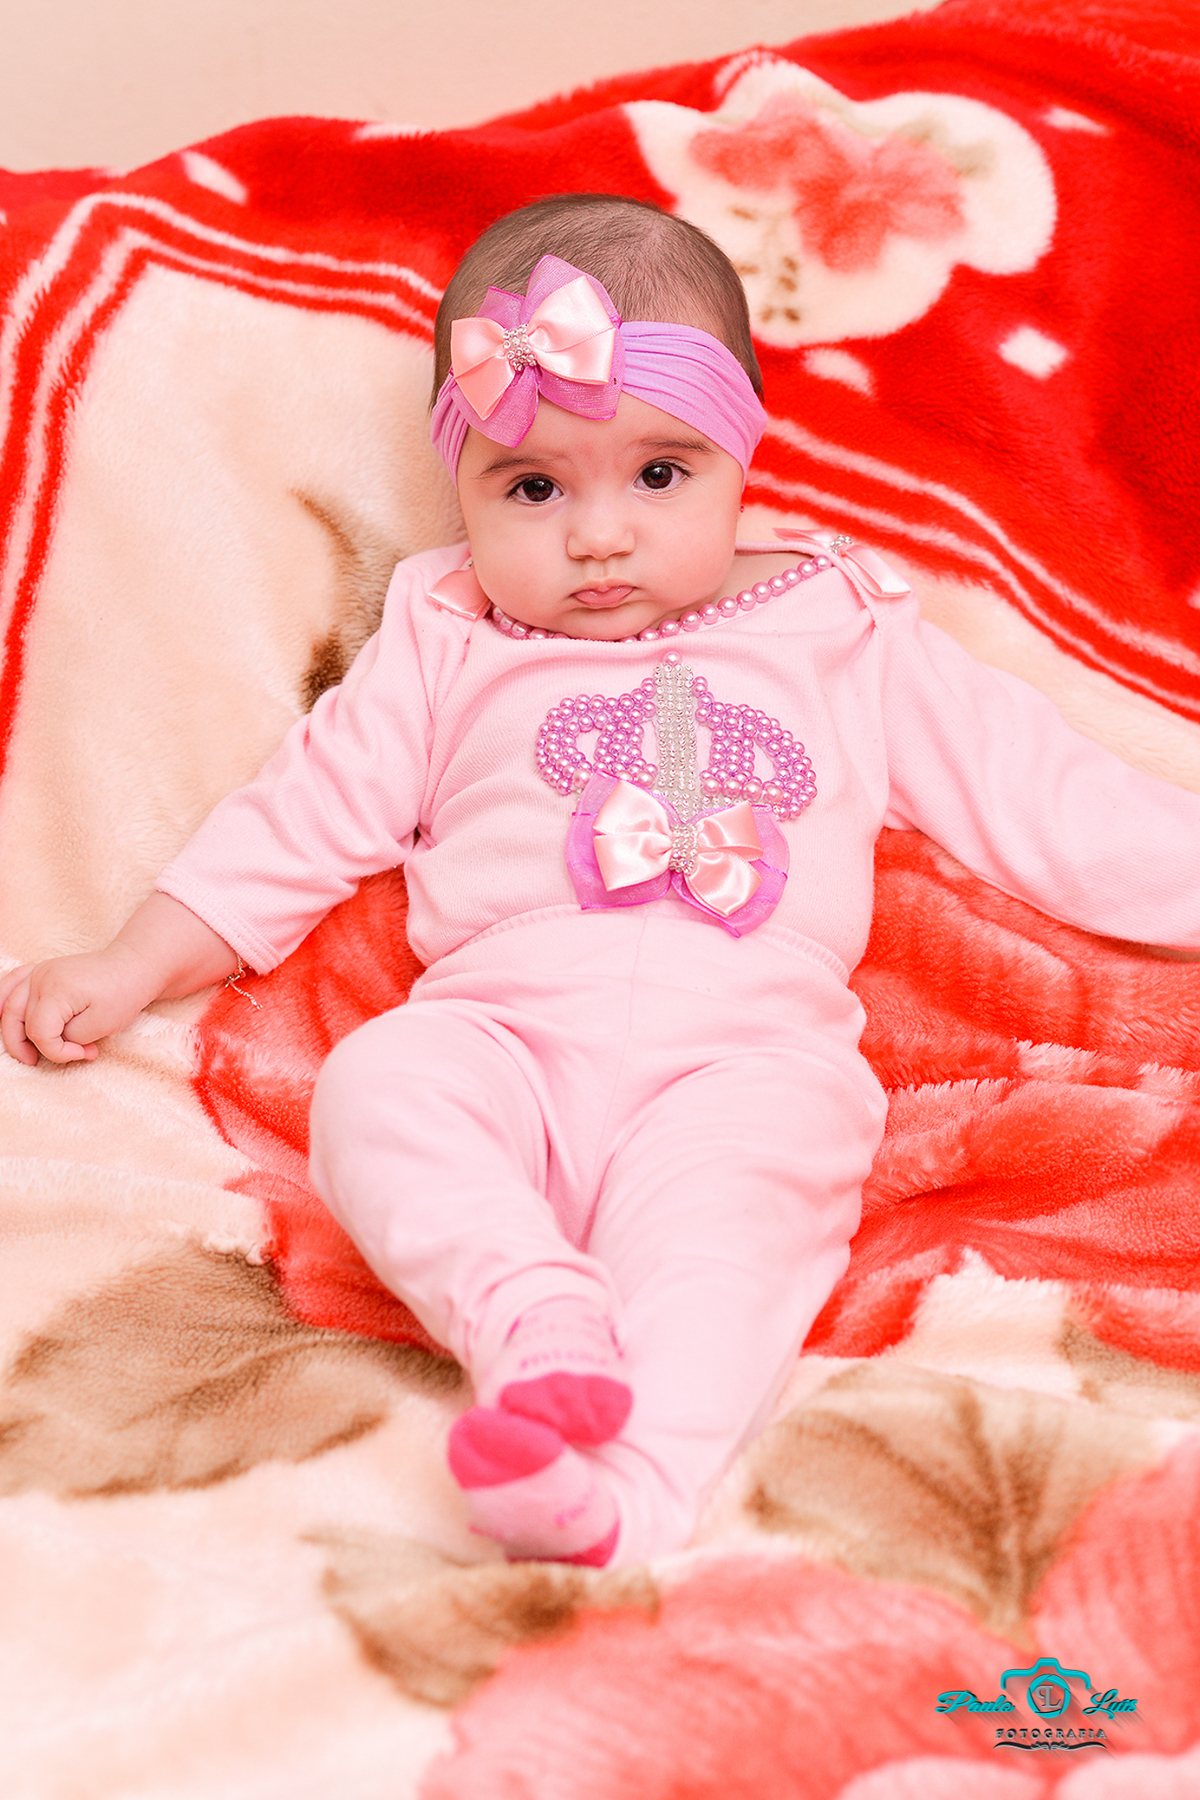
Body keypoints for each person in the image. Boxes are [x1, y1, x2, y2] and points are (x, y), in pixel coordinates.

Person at [3, 194, 1200, 1570]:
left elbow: (1048, 797)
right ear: (464, 484)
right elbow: (303, 813)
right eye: (533, 489)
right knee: (379, 1090)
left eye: (659, 475)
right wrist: (132, 962)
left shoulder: (841, 627)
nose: (598, 537)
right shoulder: (448, 632)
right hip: (502, 1029)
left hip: (750, 1057)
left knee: (732, 1246)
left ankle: (630, 1489)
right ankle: (524, 1312)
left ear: (742, 452)